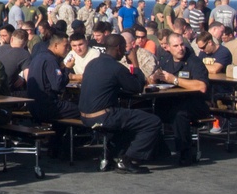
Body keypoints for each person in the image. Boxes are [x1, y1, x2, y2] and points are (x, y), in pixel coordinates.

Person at [78, 34, 162, 173]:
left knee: (126, 120)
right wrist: (135, 63)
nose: (124, 52)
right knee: (152, 121)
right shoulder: (116, 67)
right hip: (103, 116)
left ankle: (109, 156)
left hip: (85, 116)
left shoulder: (91, 64)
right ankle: (128, 159)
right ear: (118, 48)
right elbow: (137, 87)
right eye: (123, 48)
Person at [155, 32, 211, 165]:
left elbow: (201, 86)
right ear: (167, 47)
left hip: (195, 103)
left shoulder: (194, 61)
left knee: (179, 115)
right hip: (170, 101)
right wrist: (154, 78)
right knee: (150, 112)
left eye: (182, 45)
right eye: (176, 46)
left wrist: (175, 80)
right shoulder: (166, 61)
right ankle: (157, 151)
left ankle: (185, 153)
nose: (180, 48)